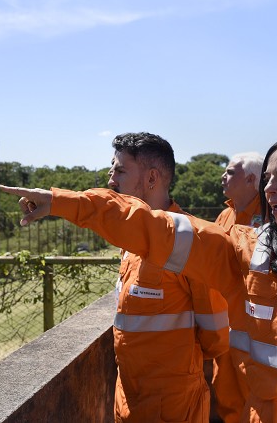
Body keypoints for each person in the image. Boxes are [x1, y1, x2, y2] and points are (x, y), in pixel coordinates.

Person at [0, 134, 277, 422]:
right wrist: (64, 202)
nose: (269, 190)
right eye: (267, 180)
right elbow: (151, 226)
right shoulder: (240, 253)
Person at [102, 132, 231, 422]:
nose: (111, 180)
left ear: (151, 179)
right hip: (128, 399)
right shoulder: (132, 240)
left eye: (120, 171)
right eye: (112, 170)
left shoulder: (189, 241)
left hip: (173, 405)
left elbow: (216, 339)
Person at [211, 151, 264, 423]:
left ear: (252, 179)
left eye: (231, 172)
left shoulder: (273, 217)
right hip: (226, 327)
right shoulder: (224, 217)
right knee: (227, 395)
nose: (223, 176)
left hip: (260, 331)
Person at [216, 151, 264, 229]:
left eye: (230, 172)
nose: (223, 176)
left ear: (250, 179)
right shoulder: (224, 215)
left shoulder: (273, 215)